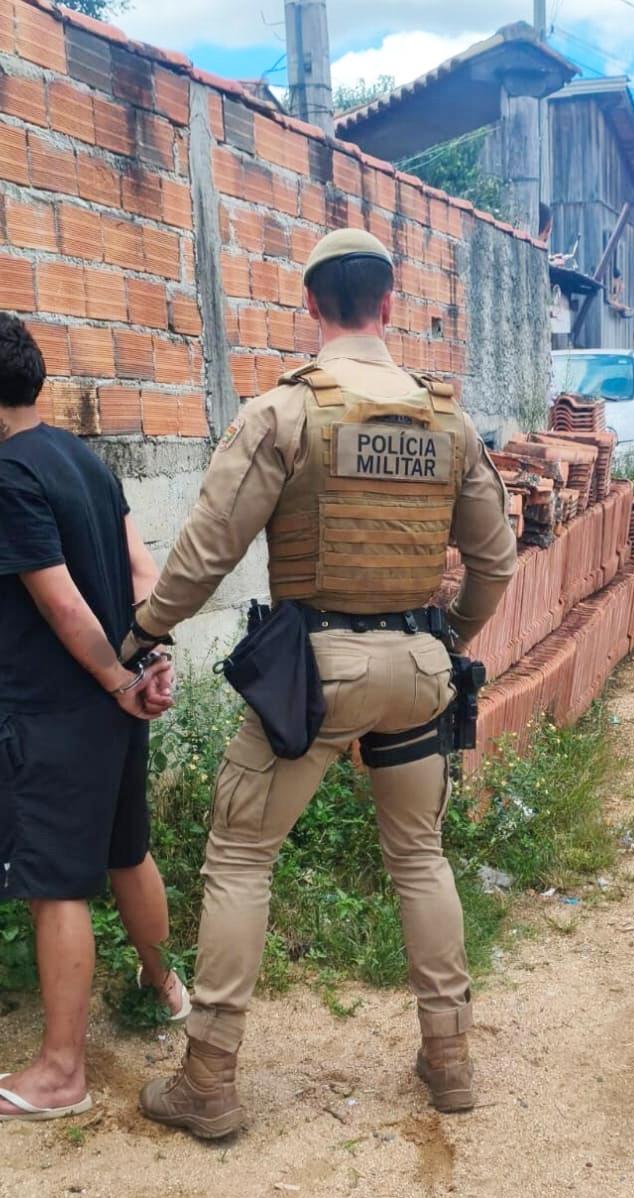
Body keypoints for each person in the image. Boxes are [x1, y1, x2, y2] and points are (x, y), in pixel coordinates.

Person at [131, 229, 519, 1139]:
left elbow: (205, 552)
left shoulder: (284, 414)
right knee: (419, 856)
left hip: (313, 679)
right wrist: (443, 642)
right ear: (388, 304)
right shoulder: (448, 422)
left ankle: (210, 1081)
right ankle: (449, 1057)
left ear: (312, 306)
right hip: (418, 674)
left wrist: (143, 633)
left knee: (240, 853)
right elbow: (494, 563)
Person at [0, 314, 183, 1124]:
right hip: (113, 706)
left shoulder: (8, 477)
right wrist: (152, 661)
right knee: (124, 848)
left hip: (55, 708)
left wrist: (115, 679)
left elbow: (61, 602)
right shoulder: (85, 460)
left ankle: (61, 1072)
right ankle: (165, 987)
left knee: (52, 883)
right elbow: (144, 569)